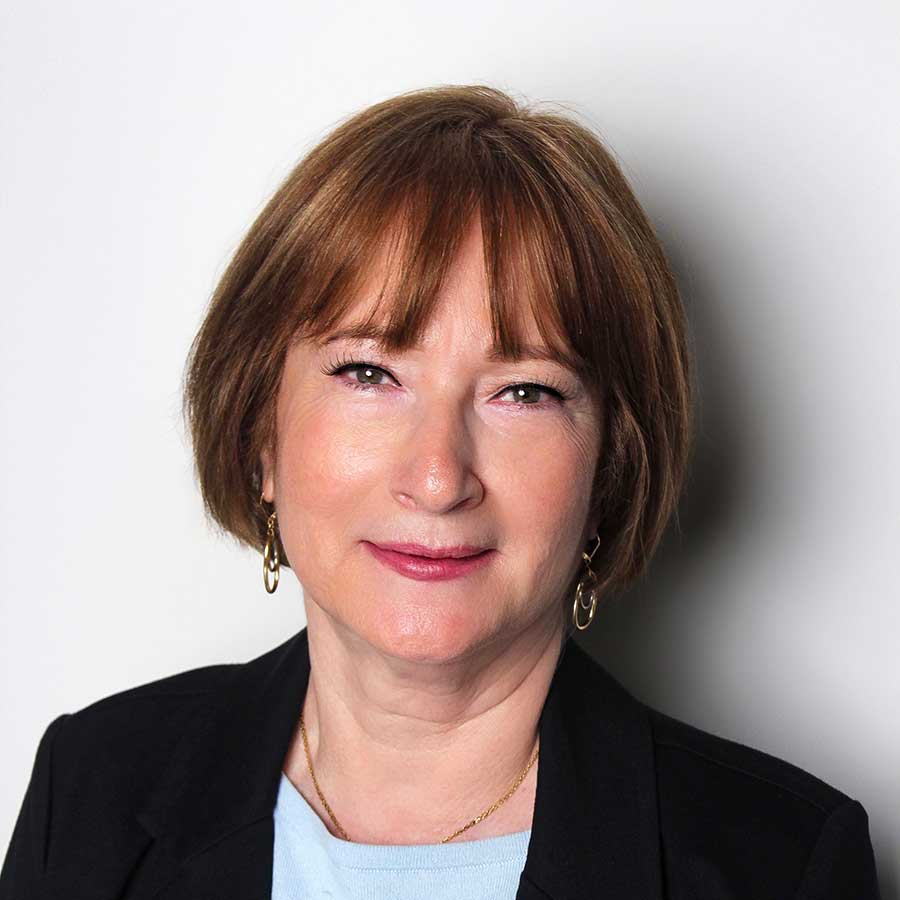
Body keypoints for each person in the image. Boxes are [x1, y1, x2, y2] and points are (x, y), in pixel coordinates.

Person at [0, 84, 881, 900]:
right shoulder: (92, 788)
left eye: (523, 392)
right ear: (260, 431)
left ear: (611, 468)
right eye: (369, 373)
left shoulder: (783, 866)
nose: (436, 477)